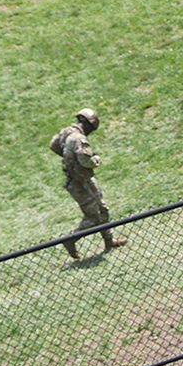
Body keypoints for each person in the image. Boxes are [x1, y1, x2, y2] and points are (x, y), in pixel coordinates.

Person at [48, 109, 126, 259]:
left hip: (83, 178)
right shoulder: (79, 139)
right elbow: (86, 161)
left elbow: (53, 144)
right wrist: (95, 159)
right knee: (92, 217)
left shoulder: (67, 132)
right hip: (78, 183)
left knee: (102, 208)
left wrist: (68, 156)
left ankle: (109, 241)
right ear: (90, 125)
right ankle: (71, 239)